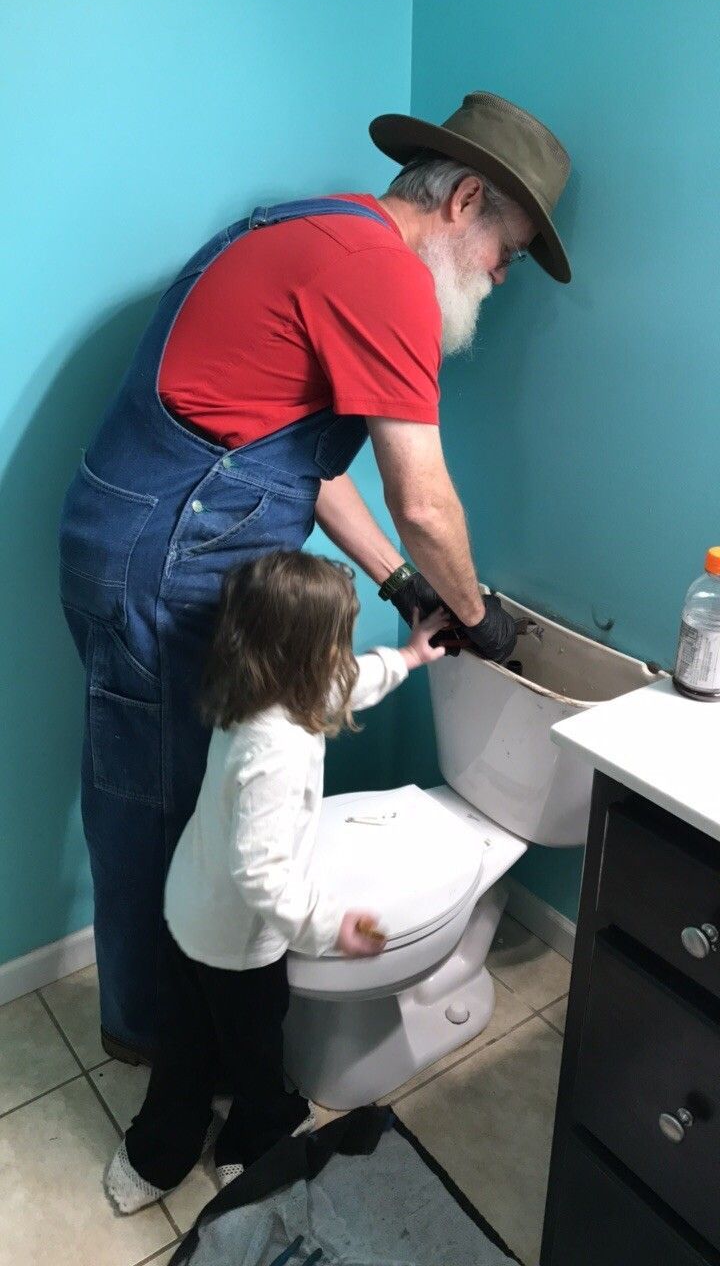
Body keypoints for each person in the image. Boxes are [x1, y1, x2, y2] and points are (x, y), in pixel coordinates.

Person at [58, 90, 572, 1064]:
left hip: (140, 530)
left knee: (161, 794)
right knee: (161, 807)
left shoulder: (321, 233)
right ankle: (166, 1050)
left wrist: (395, 585)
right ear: (465, 200)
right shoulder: (384, 277)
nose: (501, 281)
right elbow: (425, 502)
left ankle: (170, 1024)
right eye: (506, 255)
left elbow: (301, 461)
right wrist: (478, 613)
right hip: (163, 553)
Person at [104, 550, 449, 1213]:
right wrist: (328, 927)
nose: (343, 656)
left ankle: (164, 1145)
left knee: (186, 1042)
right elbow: (262, 874)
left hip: (190, 909)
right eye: (339, 643)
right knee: (256, 1047)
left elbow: (339, 687)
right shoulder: (279, 751)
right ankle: (262, 1131)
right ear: (311, 652)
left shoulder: (254, 691)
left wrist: (408, 657)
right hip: (238, 942)